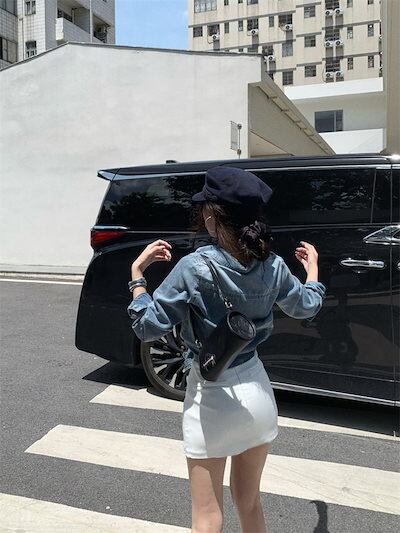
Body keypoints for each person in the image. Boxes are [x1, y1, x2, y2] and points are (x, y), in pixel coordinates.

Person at [127, 166, 326, 533]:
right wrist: (312, 270)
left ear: (211, 216)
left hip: (212, 395)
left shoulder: (193, 267)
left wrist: (138, 276)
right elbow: (306, 306)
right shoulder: (273, 265)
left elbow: (147, 326)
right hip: (258, 394)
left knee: (207, 517)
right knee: (249, 503)